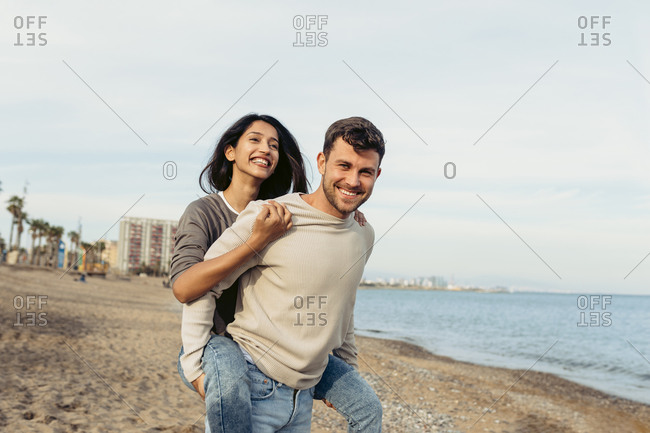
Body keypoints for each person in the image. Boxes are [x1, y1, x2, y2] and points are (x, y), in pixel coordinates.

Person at [172, 114, 381, 432]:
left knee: (369, 409)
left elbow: (341, 306)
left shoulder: (361, 233)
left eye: (365, 172)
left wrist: (345, 372)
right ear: (322, 162)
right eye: (344, 166)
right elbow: (191, 288)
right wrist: (194, 365)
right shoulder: (261, 217)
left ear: (377, 174)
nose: (354, 180)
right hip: (239, 357)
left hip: (304, 383)